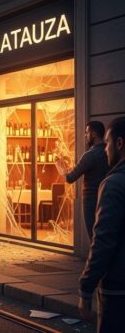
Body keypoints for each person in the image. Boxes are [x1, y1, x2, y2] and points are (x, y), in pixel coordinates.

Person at [79, 117, 125, 331]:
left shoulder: (114, 183)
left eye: (108, 143)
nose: (105, 150)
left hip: (117, 287)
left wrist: (86, 288)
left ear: (119, 144)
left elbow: (103, 242)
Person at [57, 121, 109, 240]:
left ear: (93, 134)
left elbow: (70, 178)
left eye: (87, 133)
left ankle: (95, 258)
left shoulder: (90, 155)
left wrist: (61, 168)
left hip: (91, 200)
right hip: (107, 197)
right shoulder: (109, 151)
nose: (85, 136)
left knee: (93, 235)